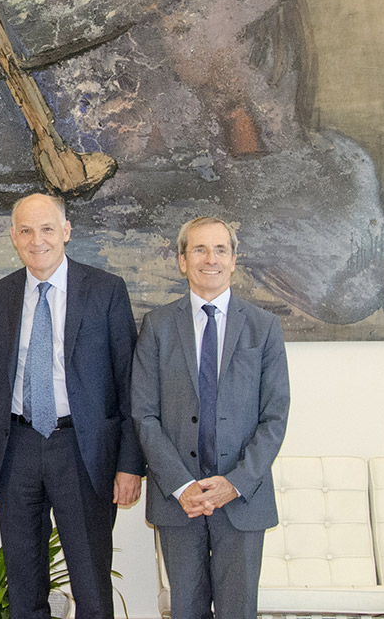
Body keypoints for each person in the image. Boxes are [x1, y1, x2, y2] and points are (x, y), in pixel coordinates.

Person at [0, 192, 143, 619]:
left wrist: (130, 464)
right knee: (24, 586)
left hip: (83, 452)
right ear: (13, 236)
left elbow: (130, 383)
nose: (37, 240)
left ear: (66, 231)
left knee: (91, 586)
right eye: (26, 231)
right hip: (16, 450)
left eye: (47, 228)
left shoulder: (106, 290)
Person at [132, 216, 290, 619]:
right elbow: (144, 415)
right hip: (179, 502)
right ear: (182, 260)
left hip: (242, 499)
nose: (211, 259)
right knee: (186, 610)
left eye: (220, 249)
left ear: (234, 260)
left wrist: (235, 483)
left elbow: (274, 417)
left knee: (239, 612)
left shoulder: (264, 327)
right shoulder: (157, 326)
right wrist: (182, 485)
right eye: (199, 249)